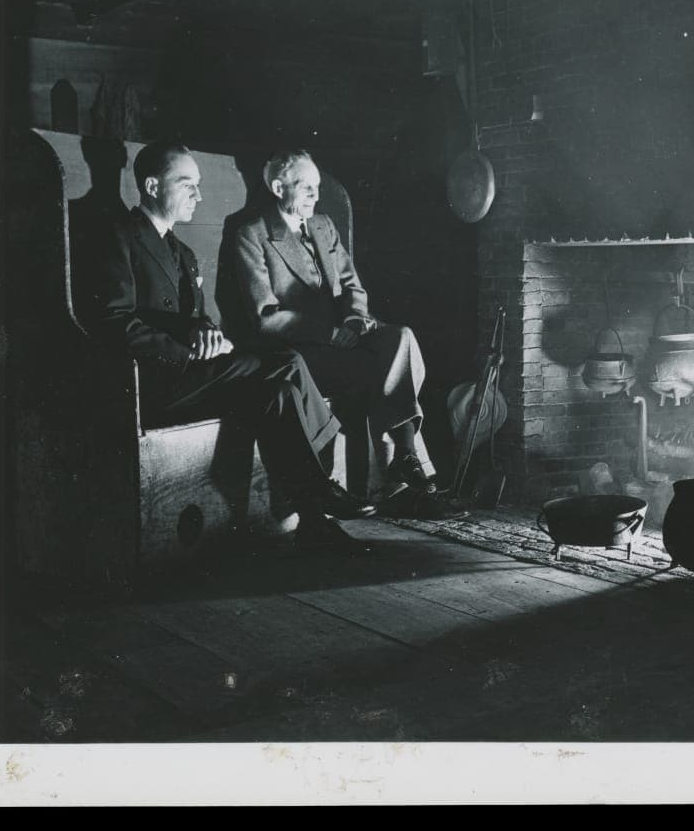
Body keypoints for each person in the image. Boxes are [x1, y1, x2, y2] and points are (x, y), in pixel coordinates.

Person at [80, 139, 375, 552]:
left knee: (278, 390)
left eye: (198, 185)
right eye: (187, 185)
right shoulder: (119, 235)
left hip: (190, 375)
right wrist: (185, 350)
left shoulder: (180, 250)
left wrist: (206, 331)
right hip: (151, 381)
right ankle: (323, 485)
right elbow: (113, 322)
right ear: (151, 187)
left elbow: (194, 315)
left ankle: (313, 518)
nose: (198, 196)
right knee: (286, 359)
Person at [219, 149, 462, 519]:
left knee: (402, 338)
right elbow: (265, 317)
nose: (315, 196)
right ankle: (408, 484)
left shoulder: (323, 225)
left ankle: (406, 454)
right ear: (277, 186)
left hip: (344, 338)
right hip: (301, 351)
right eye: (306, 188)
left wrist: (352, 322)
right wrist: (330, 334)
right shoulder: (251, 235)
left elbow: (353, 287)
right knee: (383, 372)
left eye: (317, 187)